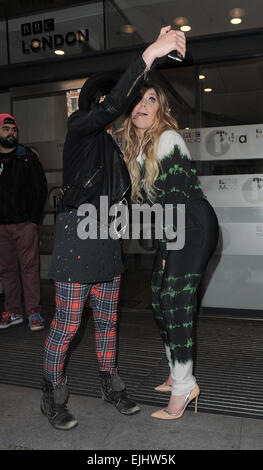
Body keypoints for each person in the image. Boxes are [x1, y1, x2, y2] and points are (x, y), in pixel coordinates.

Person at [41, 25, 186, 430]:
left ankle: (109, 383)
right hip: (76, 236)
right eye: (108, 99)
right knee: (67, 325)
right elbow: (109, 107)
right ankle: (51, 391)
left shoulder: (113, 147)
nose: (116, 104)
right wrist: (150, 54)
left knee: (106, 322)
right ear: (95, 104)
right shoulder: (80, 128)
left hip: (105, 241)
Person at [119, 82, 219, 420]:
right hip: (175, 227)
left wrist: (166, 248)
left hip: (192, 225)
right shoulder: (141, 146)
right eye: (137, 101)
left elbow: (175, 199)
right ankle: (177, 373)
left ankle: (184, 387)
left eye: (151, 100)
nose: (142, 106)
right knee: (159, 301)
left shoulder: (168, 139)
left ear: (161, 109)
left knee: (175, 303)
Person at [0, 114, 47, 332]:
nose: (11, 133)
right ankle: (13, 312)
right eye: (6, 129)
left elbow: (40, 190)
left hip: (24, 225)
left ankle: (33, 312)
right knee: (6, 270)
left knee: (29, 269)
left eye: (14, 130)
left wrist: (32, 221)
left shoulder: (27, 158)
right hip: (1, 227)